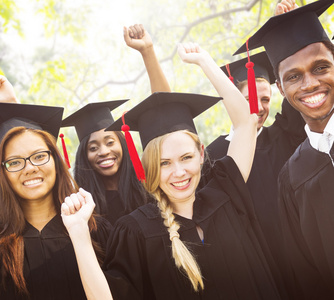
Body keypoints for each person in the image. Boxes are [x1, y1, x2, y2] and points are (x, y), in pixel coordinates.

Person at [61, 43, 281, 299]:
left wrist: (204, 61)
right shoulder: (135, 231)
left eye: (186, 157)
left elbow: (245, 121)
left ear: (201, 154)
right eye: (164, 163)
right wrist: (79, 234)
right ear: (149, 167)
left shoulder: (225, 194)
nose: (179, 172)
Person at [234, 0, 334, 298]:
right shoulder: (291, 178)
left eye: (321, 67)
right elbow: (306, 279)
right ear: (281, 87)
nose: (309, 84)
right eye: (293, 76)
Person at [203, 51, 306, 298]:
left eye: (266, 99)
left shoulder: (283, 134)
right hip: (254, 262)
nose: (259, 108)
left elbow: (298, 96)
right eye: (249, 98)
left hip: (300, 255)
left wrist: (286, 31)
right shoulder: (213, 156)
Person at [0, 103, 110, 300]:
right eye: (14, 162)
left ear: (56, 161)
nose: (30, 168)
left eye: (39, 156)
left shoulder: (97, 231)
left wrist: (79, 232)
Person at [61, 24, 170, 225]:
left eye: (110, 142)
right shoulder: (82, 205)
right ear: (84, 155)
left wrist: (147, 51)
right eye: (93, 148)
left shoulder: (150, 183)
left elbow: (164, 114)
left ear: (122, 143)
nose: (103, 151)